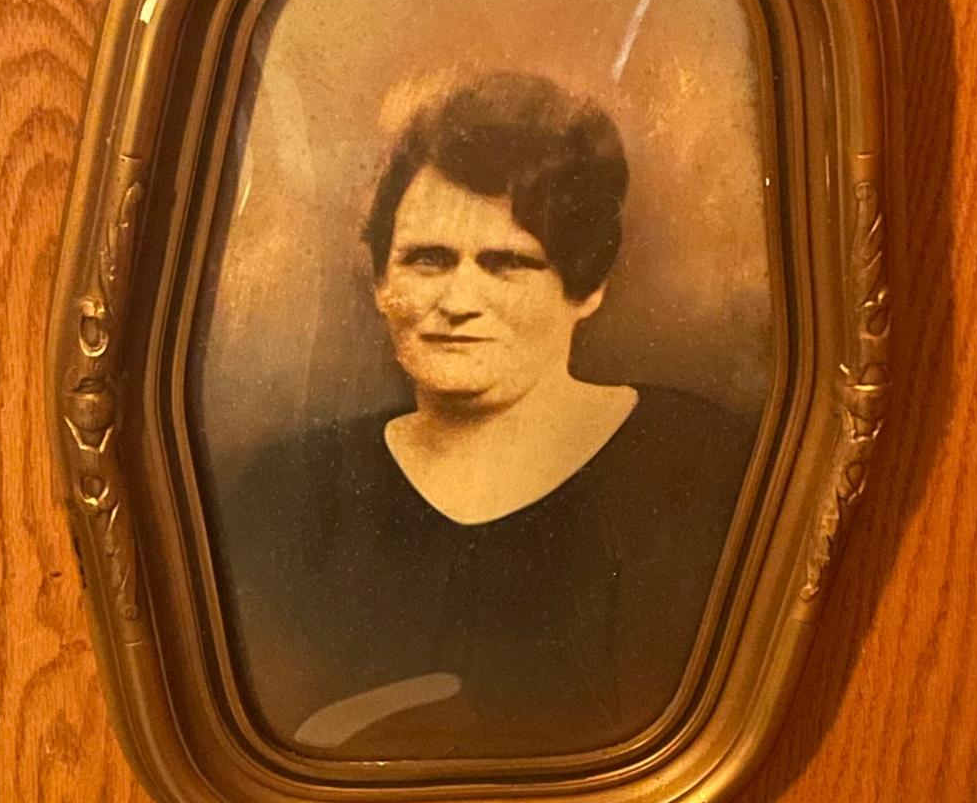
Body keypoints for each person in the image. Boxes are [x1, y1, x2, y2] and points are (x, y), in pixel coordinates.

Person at [214, 74, 758, 762]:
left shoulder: (696, 464)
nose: (458, 301)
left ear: (586, 286)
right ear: (381, 280)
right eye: (428, 260)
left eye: (507, 264)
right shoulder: (294, 486)